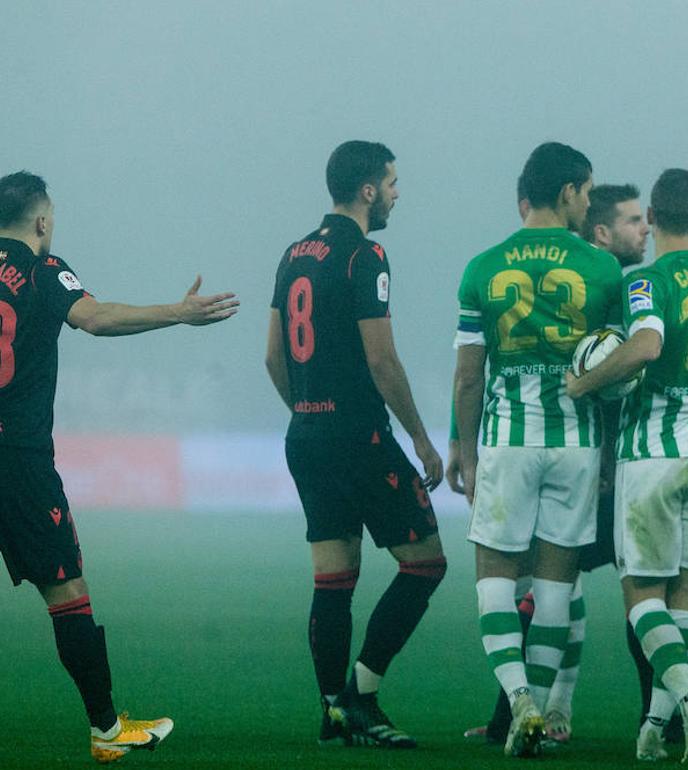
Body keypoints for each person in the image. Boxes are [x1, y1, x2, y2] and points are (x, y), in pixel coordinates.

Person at [0, 170, 238, 762]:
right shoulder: (44, 269)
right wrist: (179, 313)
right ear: (42, 221)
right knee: (67, 591)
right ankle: (107, 729)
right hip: (17, 460)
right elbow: (96, 318)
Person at [565, 168, 688, 763]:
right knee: (687, 593)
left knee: (642, 593)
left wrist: (583, 384)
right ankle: (654, 728)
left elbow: (645, 345)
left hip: (651, 452)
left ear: (652, 217)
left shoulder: (646, 280)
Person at [265, 141, 445, 749]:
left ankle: (332, 710)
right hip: (360, 436)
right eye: (392, 182)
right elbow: (382, 359)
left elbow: (272, 355)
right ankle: (363, 695)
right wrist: (421, 437)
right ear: (367, 190)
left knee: (333, 579)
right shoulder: (366, 255)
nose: (397, 192)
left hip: (307, 436)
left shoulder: (293, 254)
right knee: (425, 562)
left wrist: (308, 414)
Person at [454, 141, 623, 758]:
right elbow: (617, 369)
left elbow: (469, 374)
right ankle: (542, 709)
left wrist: (461, 447)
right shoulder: (603, 269)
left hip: (506, 439)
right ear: (571, 191)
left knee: (495, 576)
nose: (588, 203)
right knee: (557, 586)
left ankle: (518, 695)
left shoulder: (482, 267)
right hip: (577, 441)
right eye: (586, 192)